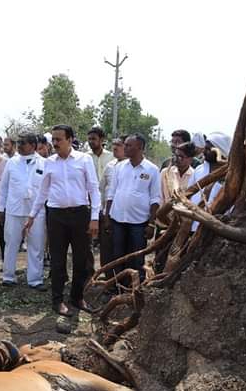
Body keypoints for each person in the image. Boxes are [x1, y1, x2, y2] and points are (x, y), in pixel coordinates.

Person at [26, 125, 100, 317]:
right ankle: (57, 300)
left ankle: (77, 297)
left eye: (59, 139)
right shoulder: (49, 162)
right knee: (58, 261)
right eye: (54, 140)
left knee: (81, 259)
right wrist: (32, 216)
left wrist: (94, 218)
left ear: (70, 139)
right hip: (56, 216)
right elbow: (43, 192)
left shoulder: (84, 160)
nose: (55, 143)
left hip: (80, 215)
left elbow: (93, 189)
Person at [106, 134, 161, 279]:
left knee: (137, 256)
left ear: (140, 148)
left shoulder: (152, 169)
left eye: (129, 145)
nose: (125, 148)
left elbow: (155, 198)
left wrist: (151, 223)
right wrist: (107, 217)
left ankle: (136, 289)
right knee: (118, 255)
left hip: (139, 222)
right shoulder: (119, 167)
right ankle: (117, 287)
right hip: (118, 219)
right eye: (125, 145)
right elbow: (111, 192)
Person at [0, 133, 47, 289]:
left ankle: (35, 279)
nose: (19, 146)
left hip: (36, 212)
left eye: (23, 143)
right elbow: (4, 188)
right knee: (11, 243)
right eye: (18, 143)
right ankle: (8, 276)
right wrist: (1, 209)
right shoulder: (11, 163)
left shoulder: (44, 163)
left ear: (33, 145)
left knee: (36, 245)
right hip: (14, 210)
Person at [100, 138, 126, 267]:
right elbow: (102, 189)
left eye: (119, 145)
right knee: (106, 248)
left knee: (121, 248)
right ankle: (108, 275)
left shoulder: (132, 166)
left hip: (124, 216)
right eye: (113, 145)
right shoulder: (110, 166)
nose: (115, 148)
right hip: (107, 213)